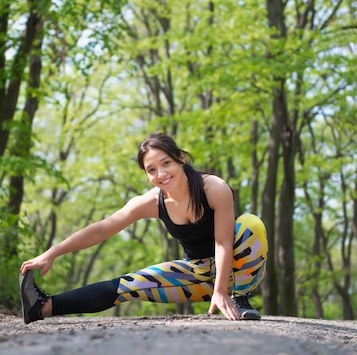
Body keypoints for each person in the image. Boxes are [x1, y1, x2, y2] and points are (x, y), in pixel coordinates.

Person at [20, 133, 268, 324]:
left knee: (251, 225)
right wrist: (52, 252)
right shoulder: (152, 202)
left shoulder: (213, 188)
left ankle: (239, 298)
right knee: (128, 284)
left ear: (181, 158)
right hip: (197, 274)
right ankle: (42, 306)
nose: (161, 174)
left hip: (237, 268)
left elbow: (224, 243)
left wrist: (222, 291)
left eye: (166, 163)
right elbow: (101, 229)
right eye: (151, 170)